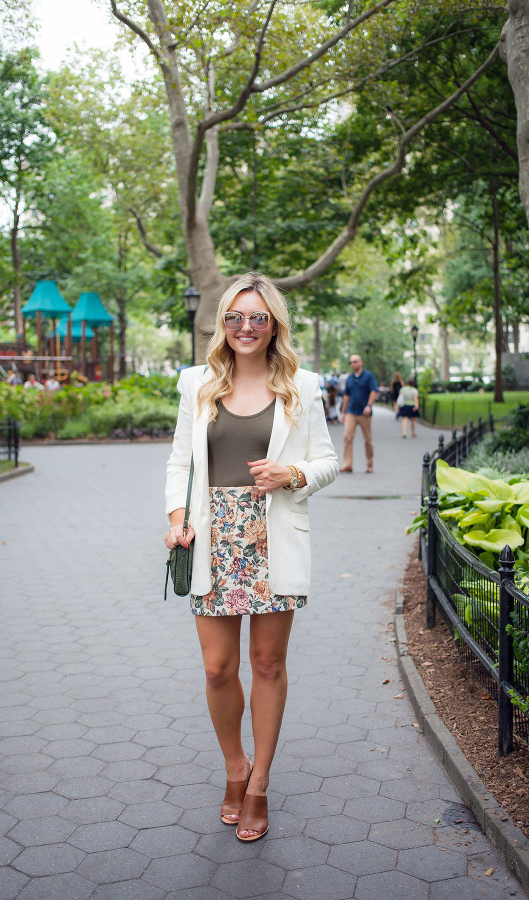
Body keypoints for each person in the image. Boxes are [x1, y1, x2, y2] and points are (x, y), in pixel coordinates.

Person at [164, 272, 338, 843]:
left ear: (274, 325)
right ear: (223, 324)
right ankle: (233, 767)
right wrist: (175, 520)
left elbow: (326, 462)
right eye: (235, 317)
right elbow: (179, 464)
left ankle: (259, 782)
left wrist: (293, 474)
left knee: (267, 665)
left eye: (257, 318)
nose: (245, 327)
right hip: (212, 539)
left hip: (273, 536)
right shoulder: (197, 383)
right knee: (217, 668)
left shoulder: (301, 385)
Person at [340, 354, 379, 473]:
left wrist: (369, 405)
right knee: (347, 437)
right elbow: (346, 395)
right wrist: (343, 412)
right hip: (351, 412)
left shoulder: (368, 376)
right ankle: (347, 464)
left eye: (355, 361)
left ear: (360, 362)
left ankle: (369, 464)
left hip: (364, 413)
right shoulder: (350, 378)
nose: (353, 364)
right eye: (351, 362)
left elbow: (373, 391)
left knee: (367, 439)